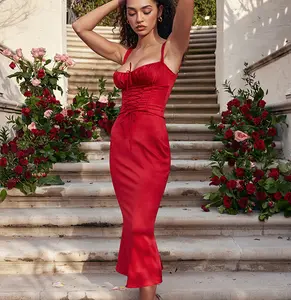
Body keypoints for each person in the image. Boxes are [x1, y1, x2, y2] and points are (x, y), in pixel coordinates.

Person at [72, 0, 193, 298]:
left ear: (161, 11)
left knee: (140, 224)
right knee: (133, 221)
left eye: (146, 10)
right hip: (122, 145)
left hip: (150, 145)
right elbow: (80, 26)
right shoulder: (124, 54)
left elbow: (186, 9)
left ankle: (148, 295)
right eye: (131, 11)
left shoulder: (172, 48)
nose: (139, 18)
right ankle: (147, 290)